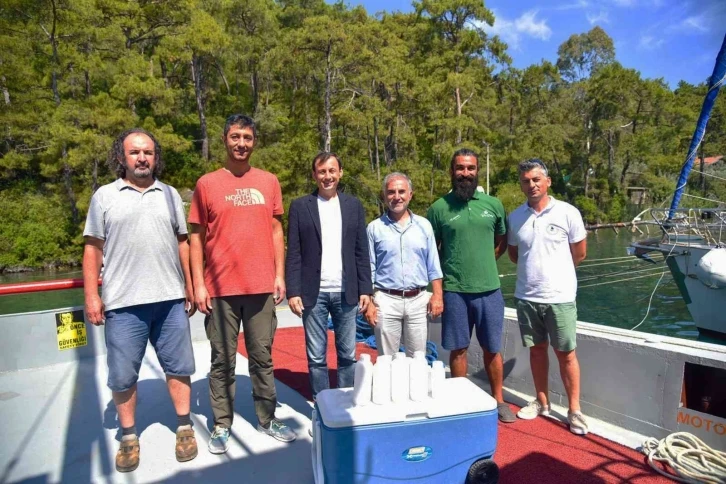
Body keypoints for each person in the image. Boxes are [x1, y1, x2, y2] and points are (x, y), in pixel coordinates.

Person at [83, 128, 198, 473]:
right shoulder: (104, 196)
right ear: (122, 157)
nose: (142, 158)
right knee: (122, 376)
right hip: (122, 303)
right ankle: (129, 436)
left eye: (148, 152)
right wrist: (92, 295)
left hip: (170, 300)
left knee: (179, 367)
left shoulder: (170, 195)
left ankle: (184, 427)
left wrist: (190, 284)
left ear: (155, 156)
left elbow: (182, 242)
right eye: (134, 152)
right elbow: (93, 248)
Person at [189, 114, 296, 454]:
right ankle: (222, 423)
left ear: (254, 142)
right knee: (222, 360)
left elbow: (276, 230)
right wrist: (198, 285)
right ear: (225, 139)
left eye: (247, 138)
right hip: (219, 290)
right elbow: (195, 237)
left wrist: (279, 275)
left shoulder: (268, 181)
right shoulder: (207, 184)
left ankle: (268, 418)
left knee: (262, 357)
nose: (241, 143)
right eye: (235, 137)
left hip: (261, 287)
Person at [426, 148, 515, 423]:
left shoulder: (493, 205)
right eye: (460, 168)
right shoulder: (438, 208)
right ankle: (460, 402)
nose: (465, 173)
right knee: (459, 349)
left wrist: (484, 261)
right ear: (452, 171)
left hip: (489, 290)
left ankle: (499, 400)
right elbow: (431, 251)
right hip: (454, 291)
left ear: (477, 171)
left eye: (470, 168)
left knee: (492, 349)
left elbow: (501, 241)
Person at [507, 159, 589, 435]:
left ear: (547, 182)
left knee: (566, 354)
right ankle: (542, 402)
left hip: (560, 297)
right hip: (527, 297)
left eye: (536, 179)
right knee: (537, 350)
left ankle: (574, 411)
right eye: (526, 181)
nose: (531, 185)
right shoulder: (515, 217)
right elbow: (515, 254)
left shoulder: (568, 212)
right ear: (521, 185)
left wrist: (557, 275)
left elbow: (580, 253)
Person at [285, 152, 372, 401]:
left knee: (347, 355)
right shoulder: (301, 206)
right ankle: (321, 406)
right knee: (316, 357)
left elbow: (361, 251)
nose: (327, 176)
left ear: (340, 173)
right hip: (314, 293)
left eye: (332, 171)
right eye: (322, 171)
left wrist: (366, 289)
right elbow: (294, 252)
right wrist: (293, 291)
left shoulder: (353, 206)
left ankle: (344, 405)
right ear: (314, 175)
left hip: (347, 292)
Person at [365, 172, 443, 356]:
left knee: (417, 358)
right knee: (386, 360)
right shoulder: (374, 228)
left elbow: (433, 265)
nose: (397, 197)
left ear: (410, 194)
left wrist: (438, 296)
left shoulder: (424, 226)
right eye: (391, 192)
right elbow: (369, 268)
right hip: (386, 300)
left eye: (401, 191)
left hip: (418, 300)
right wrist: (369, 302)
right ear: (385, 196)